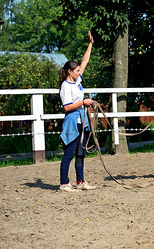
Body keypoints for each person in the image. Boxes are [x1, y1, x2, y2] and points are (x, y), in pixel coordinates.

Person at [58, 31, 96, 192]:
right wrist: (83, 102)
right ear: (69, 72)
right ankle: (64, 183)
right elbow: (67, 107)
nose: (80, 72)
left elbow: (85, 60)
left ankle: (80, 181)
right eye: (77, 71)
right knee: (69, 154)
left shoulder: (76, 81)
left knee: (81, 153)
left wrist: (90, 44)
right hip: (73, 120)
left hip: (82, 120)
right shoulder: (66, 87)